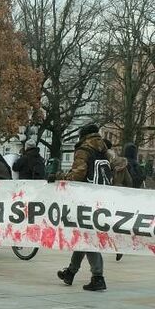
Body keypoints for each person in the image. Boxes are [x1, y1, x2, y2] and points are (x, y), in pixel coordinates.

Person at [57, 124, 110, 291]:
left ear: (83, 136)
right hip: (101, 198)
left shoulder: (84, 150)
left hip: (85, 198)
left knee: (87, 237)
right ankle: (71, 272)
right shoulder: (104, 150)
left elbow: (77, 174)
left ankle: (98, 277)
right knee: (83, 235)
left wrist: (59, 176)